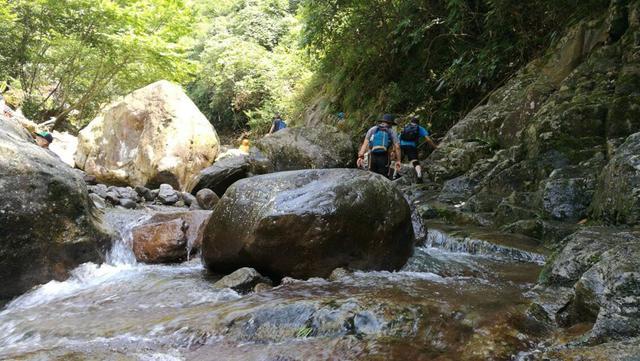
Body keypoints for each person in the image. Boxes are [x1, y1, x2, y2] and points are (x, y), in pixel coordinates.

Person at [399, 116, 437, 183]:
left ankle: (395, 175)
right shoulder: (419, 128)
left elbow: (399, 137)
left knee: (399, 160)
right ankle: (419, 175)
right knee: (415, 161)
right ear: (418, 123)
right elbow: (428, 139)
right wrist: (434, 147)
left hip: (402, 145)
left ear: (411, 122)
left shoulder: (406, 127)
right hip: (411, 146)